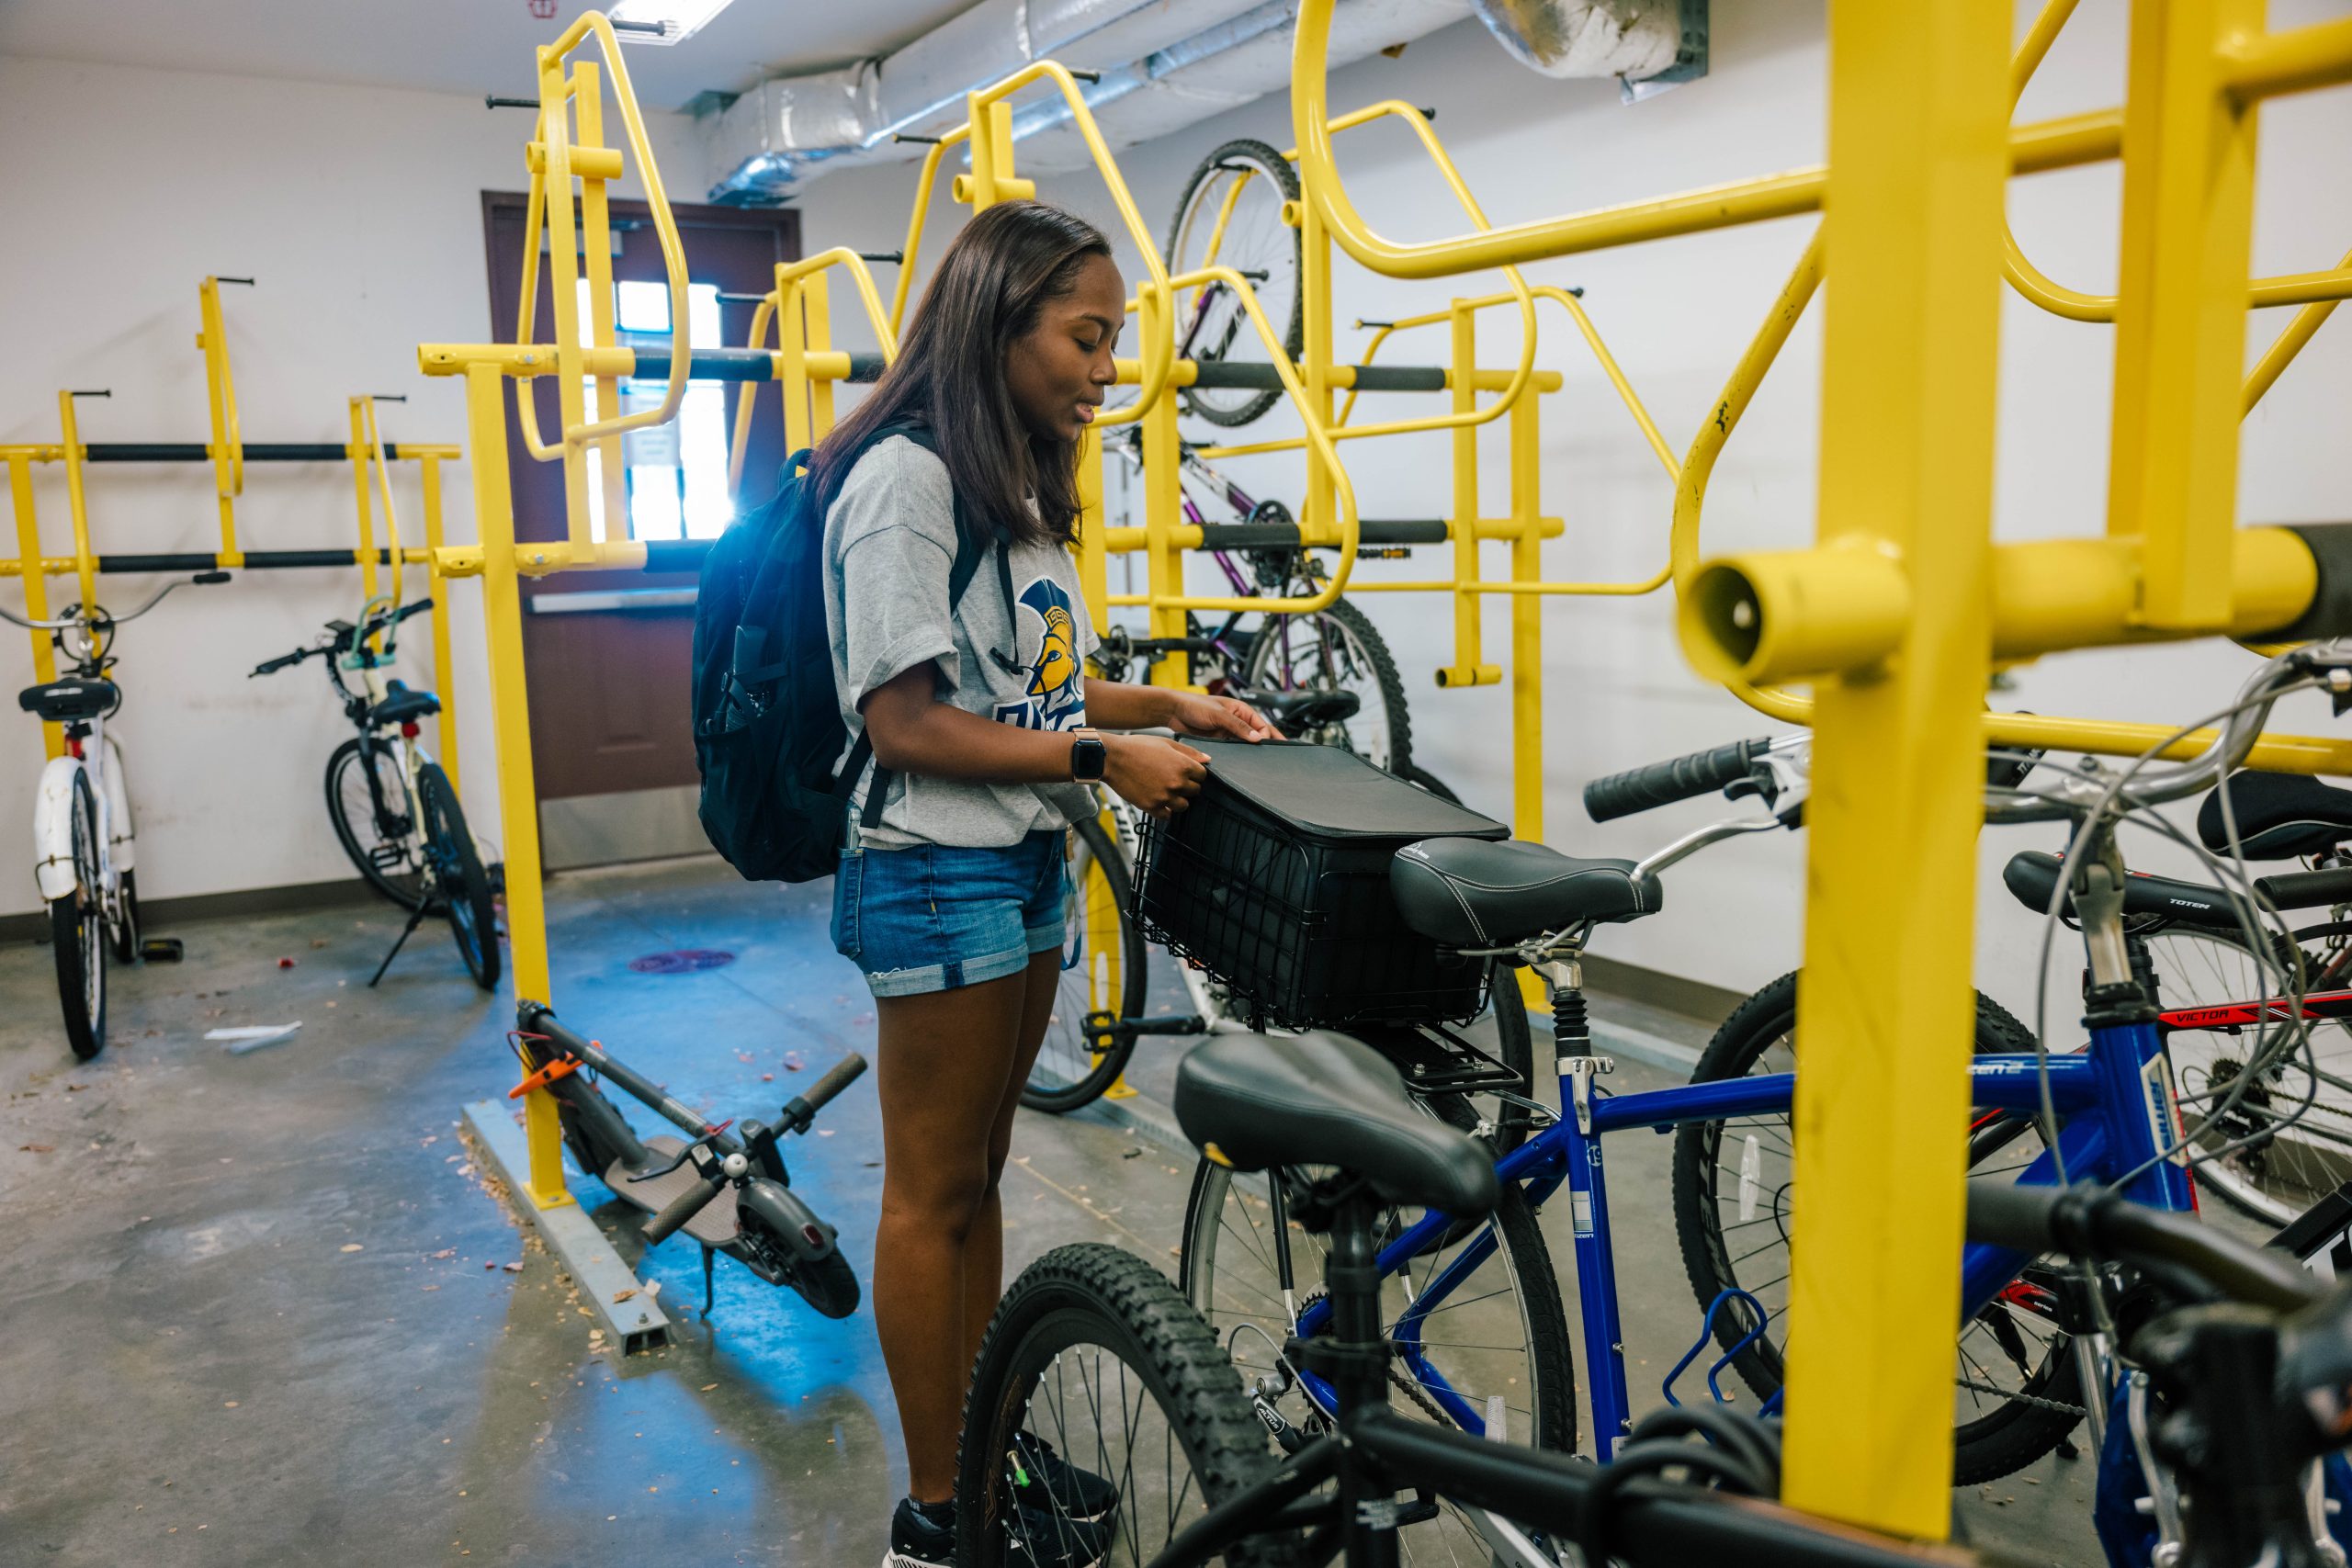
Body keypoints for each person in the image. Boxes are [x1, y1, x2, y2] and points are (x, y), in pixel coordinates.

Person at [813, 199, 1274, 1568]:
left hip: (1017, 859)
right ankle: (938, 1518)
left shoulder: (1012, 478)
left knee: (984, 1175)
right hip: (932, 869)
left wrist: (1166, 707)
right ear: (998, 323)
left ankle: (984, 1442)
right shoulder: (905, 480)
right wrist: (1098, 754)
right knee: (931, 1193)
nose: (1106, 366)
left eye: (1112, 338)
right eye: (1086, 336)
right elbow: (903, 723)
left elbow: (1031, 682)